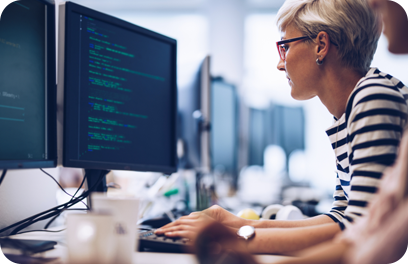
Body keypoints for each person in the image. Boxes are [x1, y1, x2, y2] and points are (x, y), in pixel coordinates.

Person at [156, 0, 408, 254]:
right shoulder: (350, 109)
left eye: (285, 47)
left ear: (321, 45)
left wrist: (230, 239)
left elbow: (356, 230)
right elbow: (340, 217)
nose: (280, 63)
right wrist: (236, 223)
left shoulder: (373, 97)